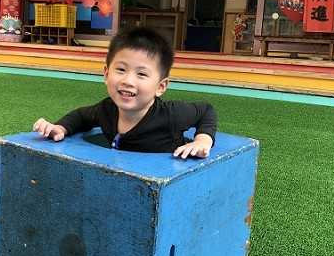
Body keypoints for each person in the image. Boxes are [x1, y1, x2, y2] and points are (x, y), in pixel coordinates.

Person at [33, 27, 217, 159]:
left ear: (160, 87)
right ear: (106, 74)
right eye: (121, 69)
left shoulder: (171, 115)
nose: (128, 81)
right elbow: (81, 116)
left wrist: (203, 140)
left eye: (141, 74)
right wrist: (61, 128)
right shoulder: (106, 110)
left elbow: (206, 110)